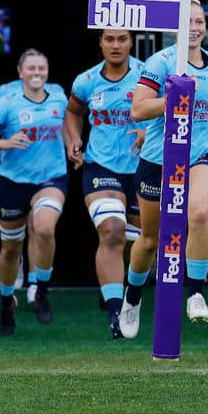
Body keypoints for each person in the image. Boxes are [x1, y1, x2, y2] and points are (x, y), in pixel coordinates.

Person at [119, 0, 208, 340]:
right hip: (157, 160)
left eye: (198, 21)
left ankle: (195, 292)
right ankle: (132, 296)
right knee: (151, 240)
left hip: (199, 155)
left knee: (197, 214)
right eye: (186, 22)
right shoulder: (159, 62)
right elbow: (137, 110)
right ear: (174, 28)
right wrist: (173, 99)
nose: (193, 28)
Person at [0, 49, 68, 336]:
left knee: (45, 228)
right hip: (13, 182)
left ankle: (42, 290)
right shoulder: (6, 103)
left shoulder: (59, 97)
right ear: (20, 72)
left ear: (48, 72)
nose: (37, 73)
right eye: (31, 69)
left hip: (51, 178)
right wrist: (6, 143)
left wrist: (75, 145)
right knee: (10, 249)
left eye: (42, 68)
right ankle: (5, 302)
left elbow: (68, 123)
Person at [63, 29, 144, 338]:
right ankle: (115, 313)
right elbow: (73, 112)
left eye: (122, 39)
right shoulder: (86, 81)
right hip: (100, 167)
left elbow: (167, 109)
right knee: (112, 232)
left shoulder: (146, 74)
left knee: (139, 244)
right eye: (109, 39)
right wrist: (73, 140)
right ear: (100, 42)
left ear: (131, 42)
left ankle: (116, 286)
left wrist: (149, 130)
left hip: (142, 169)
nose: (115, 45)